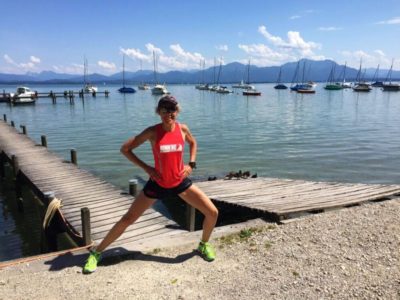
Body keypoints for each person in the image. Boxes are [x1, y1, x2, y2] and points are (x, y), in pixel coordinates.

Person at [83, 95, 219, 274]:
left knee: (212, 213)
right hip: (158, 184)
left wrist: (191, 164)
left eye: (172, 110)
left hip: (179, 182)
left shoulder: (183, 129)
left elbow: (193, 143)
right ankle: (96, 253)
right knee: (128, 219)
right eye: (164, 110)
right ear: (158, 112)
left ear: (177, 111)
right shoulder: (152, 132)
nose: (168, 114)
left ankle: (203, 244)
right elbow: (125, 149)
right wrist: (147, 168)